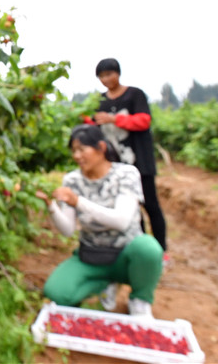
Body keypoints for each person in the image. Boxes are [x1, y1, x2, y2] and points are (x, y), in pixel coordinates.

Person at [39, 125, 164, 317]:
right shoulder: (72, 180)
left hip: (126, 254)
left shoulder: (126, 174)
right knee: (57, 293)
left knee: (148, 249)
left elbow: (121, 221)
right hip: (92, 256)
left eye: (82, 149)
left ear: (101, 147)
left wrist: (78, 202)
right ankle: (105, 283)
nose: (77, 156)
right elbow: (67, 230)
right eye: (73, 151)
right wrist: (51, 207)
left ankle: (139, 300)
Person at [83, 58, 168, 255]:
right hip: (116, 166)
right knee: (130, 208)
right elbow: (92, 125)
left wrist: (114, 119)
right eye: (102, 76)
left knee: (151, 205)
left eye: (109, 74)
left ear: (118, 74)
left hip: (140, 162)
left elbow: (144, 121)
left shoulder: (135, 95)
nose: (106, 79)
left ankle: (161, 250)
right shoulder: (99, 101)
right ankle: (142, 248)